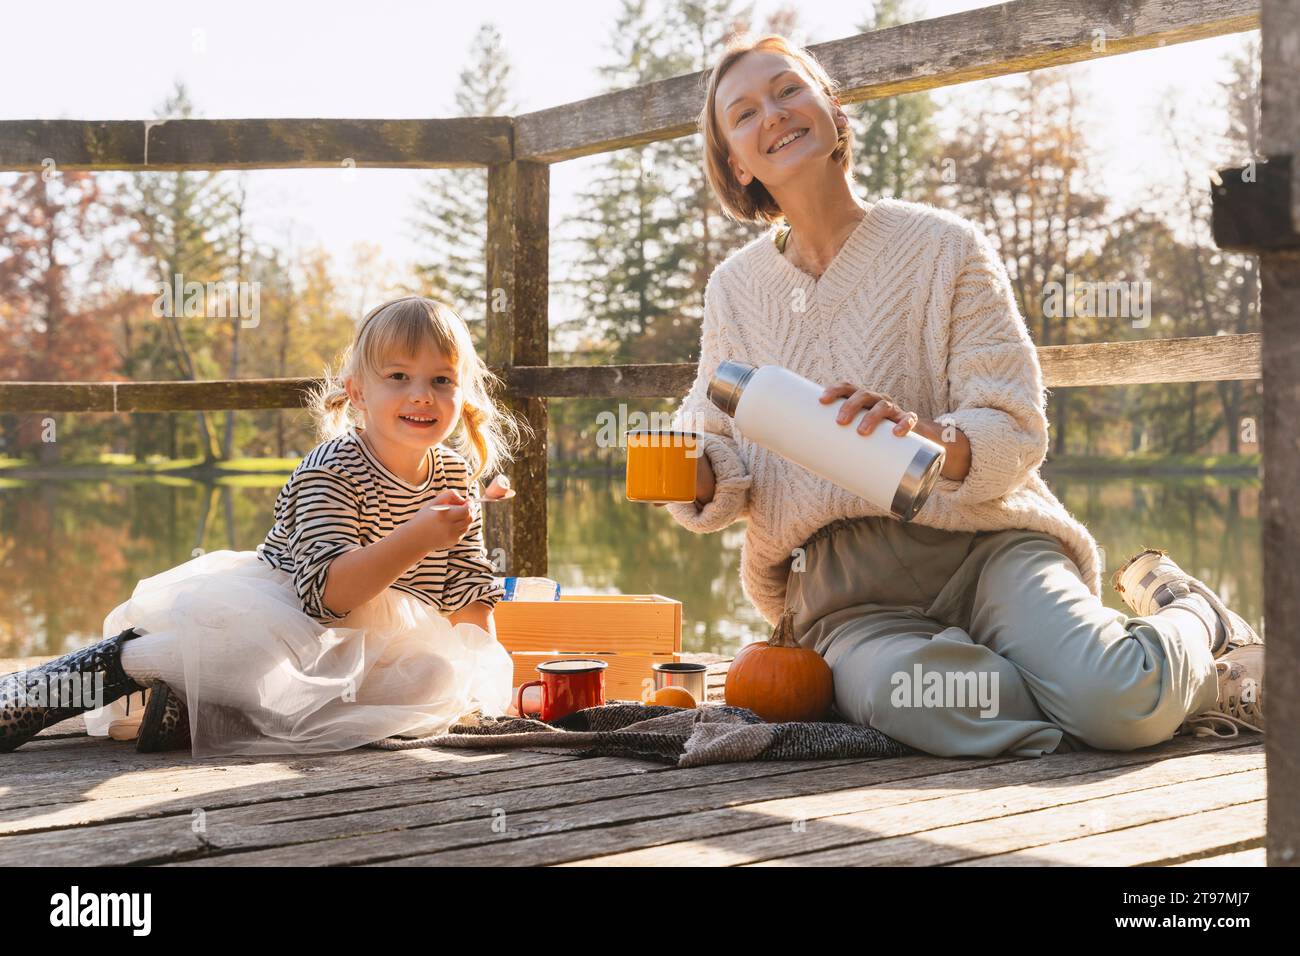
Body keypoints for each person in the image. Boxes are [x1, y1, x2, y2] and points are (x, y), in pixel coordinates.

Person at [659, 33, 1264, 757]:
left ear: (832, 110)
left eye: (789, 90)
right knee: (925, 700)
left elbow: (1014, 426)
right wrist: (688, 470)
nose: (774, 114)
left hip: (988, 547)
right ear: (734, 159)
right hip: (847, 595)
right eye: (744, 112)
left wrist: (925, 435)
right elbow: (709, 443)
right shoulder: (735, 287)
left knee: (1118, 700)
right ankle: (1088, 679)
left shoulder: (945, 246)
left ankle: (1192, 621)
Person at [0, 295, 529, 757]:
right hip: (289, 614)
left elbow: (468, 586)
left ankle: (188, 708)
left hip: (378, 641)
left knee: (437, 679)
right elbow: (328, 597)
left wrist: (485, 677)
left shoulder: (455, 476)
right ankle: (97, 674)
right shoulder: (333, 467)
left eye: (441, 380)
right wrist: (418, 535)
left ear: (463, 396)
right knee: (254, 656)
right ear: (359, 392)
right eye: (398, 377)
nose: (421, 395)